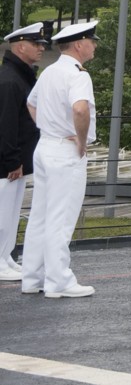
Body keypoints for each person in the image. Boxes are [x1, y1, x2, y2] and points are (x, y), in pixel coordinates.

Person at [19, 19, 99, 298]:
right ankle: (59, 281)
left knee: (40, 215)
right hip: (65, 151)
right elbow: (80, 110)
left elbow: (31, 103)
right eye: (92, 41)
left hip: (45, 146)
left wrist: (48, 127)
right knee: (61, 217)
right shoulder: (78, 75)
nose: (94, 46)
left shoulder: (50, 71)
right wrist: (80, 139)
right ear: (79, 44)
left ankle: (32, 277)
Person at [0, 21, 50, 282]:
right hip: (8, 163)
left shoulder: (20, 76)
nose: (41, 48)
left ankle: (5, 256)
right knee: (2, 211)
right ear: (20, 46)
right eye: (36, 44)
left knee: (11, 212)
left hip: (18, 161)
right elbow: (6, 124)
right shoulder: (10, 80)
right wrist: (12, 160)